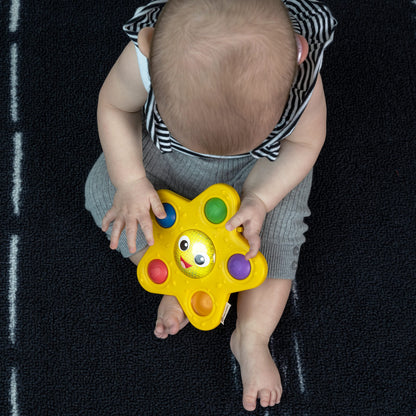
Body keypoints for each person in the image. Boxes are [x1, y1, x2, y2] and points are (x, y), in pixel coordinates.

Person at [85, 0, 336, 411]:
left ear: (298, 52)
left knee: (279, 235)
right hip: (167, 154)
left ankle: (251, 335)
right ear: (149, 49)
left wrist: (260, 199)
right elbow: (114, 107)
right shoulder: (147, 54)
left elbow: (304, 144)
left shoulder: (302, 83)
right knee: (103, 191)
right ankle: (177, 278)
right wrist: (130, 181)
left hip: (261, 169)